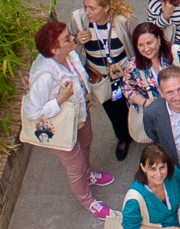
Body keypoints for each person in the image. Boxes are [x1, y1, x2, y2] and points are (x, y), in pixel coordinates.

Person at [23, 19, 116, 218]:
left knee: (86, 144)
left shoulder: (69, 54)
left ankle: (88, 176)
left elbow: (78, 77)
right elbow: (32, 112)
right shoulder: (44, 77)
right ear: (55, 50)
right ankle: (87, 200)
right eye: (67, 38)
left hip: (80, 115)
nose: (72, 39)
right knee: (76, 166)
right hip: (61, 127)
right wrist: (60, 99)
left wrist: (86, 92)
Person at [72, 0, 137, 160]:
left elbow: (140, 41)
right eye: (85, 6)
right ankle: (123, 137)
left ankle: (142, 131)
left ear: (106, 7)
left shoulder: (123, 20)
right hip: (101, 77)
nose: (87, 12)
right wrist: (77, 39)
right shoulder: (79, 19)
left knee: (135, 103)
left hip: (126, 73)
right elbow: (68, 41)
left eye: (92, 8)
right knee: (113, 110)